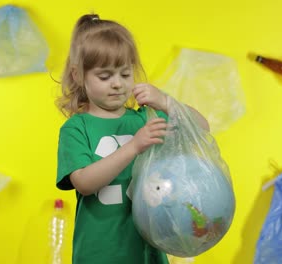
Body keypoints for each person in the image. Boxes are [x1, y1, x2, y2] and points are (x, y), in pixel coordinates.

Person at [55, 14, 208, 264]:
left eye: (125, 74)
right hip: (100, 253)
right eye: (105, 76)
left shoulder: (145, 118)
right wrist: (134, 146)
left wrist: (166, 102)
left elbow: (201, 128)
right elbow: (83, 182)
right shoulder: (76, 128)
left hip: (148, 250)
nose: (117, 84)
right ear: (78, 75)